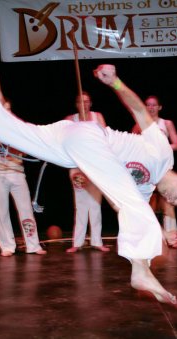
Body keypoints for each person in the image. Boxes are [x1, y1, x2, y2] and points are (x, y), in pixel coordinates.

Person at [0, 19, 177, 306]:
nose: (174, 198)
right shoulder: (163, 153)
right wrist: (116, 82)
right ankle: (140, 271)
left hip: (67, 146)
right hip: (89, 137)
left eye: (176, 202)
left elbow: (122, 204)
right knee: (134, 207)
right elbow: (140, 111)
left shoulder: (143, 189)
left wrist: (156, 228)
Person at [0, 122, 47, 257]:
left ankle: (33, 245)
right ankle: (7, 246)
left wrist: (13, 148)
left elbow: (24, 149)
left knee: (26, 210)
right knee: (2, 211)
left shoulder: (16, 126)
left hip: (16, 172)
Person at [132, 96, 177, 247]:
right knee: (147, 203)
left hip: (164, 169)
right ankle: (152, 238)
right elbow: (132, 146)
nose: (151, 107)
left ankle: (173, 237)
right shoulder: (138, 125)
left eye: (154, 105)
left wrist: (161, 147)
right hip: (147, 169)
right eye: (148, 105)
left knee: (169, 202)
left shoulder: (166, 123)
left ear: (159, 107)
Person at [65, 92, 110, 253]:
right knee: (81, 203)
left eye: (86, 101)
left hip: (95, 164)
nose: (83, 104)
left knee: (95, 203)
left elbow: (106, 137)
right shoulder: (71, 119)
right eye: (80, 102)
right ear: (76, 104)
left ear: (90, 103)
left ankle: (96, 241)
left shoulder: (98, 116)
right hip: (78, 166)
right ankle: (78, 242)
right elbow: (64, 138)